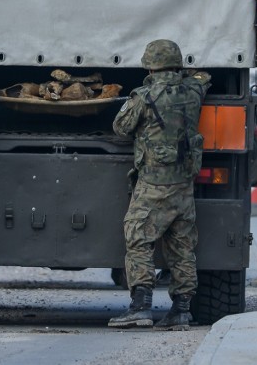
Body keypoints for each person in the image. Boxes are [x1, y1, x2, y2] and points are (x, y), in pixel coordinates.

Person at [108, 39, 211, 331]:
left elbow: (121, 127)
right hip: (183, 184)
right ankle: (181, 311)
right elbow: (204, 77)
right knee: (182, 246)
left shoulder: (145, 95)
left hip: (153, 183)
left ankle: (140, 306)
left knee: (138, 237)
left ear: (150, 65)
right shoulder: (193, 91)